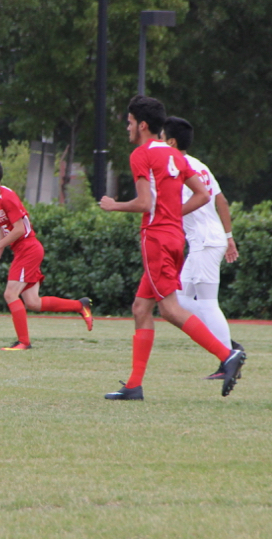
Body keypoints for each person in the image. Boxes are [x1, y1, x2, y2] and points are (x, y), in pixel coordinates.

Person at [98, 95, 246, 399]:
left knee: (169, 308)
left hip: (156, 239)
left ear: (141, 125)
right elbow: (204, 195)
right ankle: (134, 386)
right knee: (141, 308)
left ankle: (227, 354)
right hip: (176, 238)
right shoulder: (175, 155)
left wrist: (114, 206)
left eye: (128, 122)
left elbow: (144, 203)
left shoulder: (141, 154)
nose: (127, 127)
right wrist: (171, 215)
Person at [0, 158, 94, 350]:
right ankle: (80, 305)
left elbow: (18, 230)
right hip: (23, 250)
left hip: (29, 249)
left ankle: (24, 342)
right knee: (33, 302)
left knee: (10, 294)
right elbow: (5, 225)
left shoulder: (8, 197)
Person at [162, 116, 242, 379]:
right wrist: (229, 236)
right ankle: (230, 349)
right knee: (180, 300)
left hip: (205, 243)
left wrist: (169, 216)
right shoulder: (200, 165)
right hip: (208, 240)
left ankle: (229, 356)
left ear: (171, 141)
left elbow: (201, 200)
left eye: (161, 137)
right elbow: (222, 201)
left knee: (207, 303)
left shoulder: (179, 167)